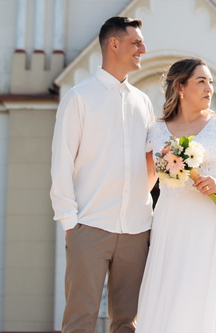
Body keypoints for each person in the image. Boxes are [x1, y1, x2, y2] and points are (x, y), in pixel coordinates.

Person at [136, 58, 216, 333]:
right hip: (172, 228)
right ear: (180, 87)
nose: (209, 89)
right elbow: (143, 184)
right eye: (201, 81)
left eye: (210, 82)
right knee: (173, 299)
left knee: (209, 299)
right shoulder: (155, 132)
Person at [50, 16, 153, 333]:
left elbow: (150, 164)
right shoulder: (79, 97)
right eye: (136, 42)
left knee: (127, 323)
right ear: (114, 44)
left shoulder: (143, 101)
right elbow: (62, 161)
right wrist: (71, 223)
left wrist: (142, 204)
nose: (143, 49)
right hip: (89, 226)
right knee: (80, 321)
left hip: (136, 230)